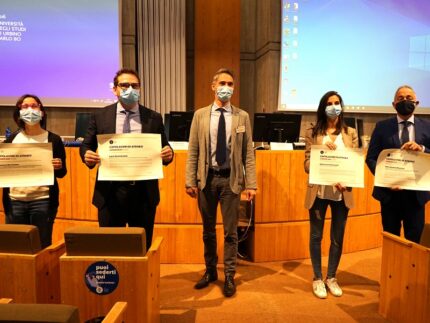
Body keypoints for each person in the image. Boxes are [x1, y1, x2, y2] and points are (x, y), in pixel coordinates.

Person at [80, 68, 174, 249]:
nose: (130, 89)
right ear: (115, 89)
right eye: (124, 85)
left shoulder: (153, 117)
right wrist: (86, 155)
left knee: (141, 248)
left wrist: (168, 154)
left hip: (143, 193)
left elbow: (164, 146)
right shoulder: (100, 116)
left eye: (134, 85)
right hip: (110, 192)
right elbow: (86, 145)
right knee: (110, 247)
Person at [185, 68, 257, 297]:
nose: (227, 87)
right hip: (206, 181)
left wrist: (251, 184)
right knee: (208, 231)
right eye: (223, 83)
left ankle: (229, 275)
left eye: (230, 84)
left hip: (231, 182)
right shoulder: (200, 115)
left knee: (230, 232)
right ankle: (210, 271)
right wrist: (190, 180)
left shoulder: (242, 116)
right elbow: (193, 150)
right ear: (213, 86)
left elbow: (248, 153)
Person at [304, 91, 358, 299]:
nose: (333, 106)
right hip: (318, 191)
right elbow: (307, 164)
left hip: (341, 193)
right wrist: (321, 153)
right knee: (316, 236)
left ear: (341, 106)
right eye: (329, 103)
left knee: (337, 237)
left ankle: (331, 277)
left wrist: (346, 178)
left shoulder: (351, 132)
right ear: (323, 107)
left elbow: (354, 163)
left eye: (337, 103)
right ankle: (317, 278)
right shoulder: (313, 132)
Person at [366, 85, 430, 243]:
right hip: (389, 196)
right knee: (391, 241)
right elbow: (371, 158)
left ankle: (412, 269)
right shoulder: (382, 127)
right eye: (400, 99)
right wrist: (386, 180)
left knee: (415, 243)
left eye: (409, 98)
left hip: (416, 197)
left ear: (417, 103)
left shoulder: (428, 126)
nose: (405, 101)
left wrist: (422, 148)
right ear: (394, 104)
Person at [2, 94, 67, 248]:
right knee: (16, 247)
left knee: (42, 245)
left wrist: (59, 166)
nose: (30, 110)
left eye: (34, 106)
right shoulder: (10, 140)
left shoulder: (53, 139)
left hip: (43, 201)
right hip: (14, 201)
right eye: (25, 107)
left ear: (42, 111)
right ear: (18, 112)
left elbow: (62, 173)